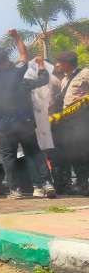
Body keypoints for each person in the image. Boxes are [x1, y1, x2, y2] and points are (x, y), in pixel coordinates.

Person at [0, 29, 56, 199]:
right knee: (34, 152)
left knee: (8, 157)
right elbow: (24, 53)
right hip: (25, 122)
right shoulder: (18, 71)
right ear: (7, 60)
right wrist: (15, 36)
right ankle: (47, 183)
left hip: (2, 127)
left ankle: (15, 190)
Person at [51, 51, 89, 194]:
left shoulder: (86, 73)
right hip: (68, 123)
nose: (57, 65)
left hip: (83, 121)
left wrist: (83, 99)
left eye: (59, 62)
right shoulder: (66, 80)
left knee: (83, 153)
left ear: (67, 63)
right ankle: (81, 184)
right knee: (75, 154)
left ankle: (84, 185)